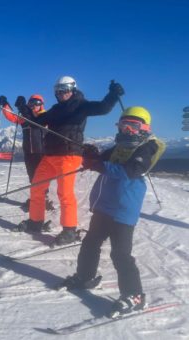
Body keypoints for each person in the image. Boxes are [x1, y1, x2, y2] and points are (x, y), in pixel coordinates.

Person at [59, 106, 165, 318]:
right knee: (90, 243)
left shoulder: (148, 147)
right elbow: (102, 160)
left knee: (120, 254)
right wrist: (91, 154)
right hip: (104, 206)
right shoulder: (119, 146)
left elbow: (132, 170)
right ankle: (85, 277)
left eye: (133, 126)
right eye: (123, 125)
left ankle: (135, 295)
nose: (127, 130)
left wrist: (99, 165)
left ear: (145, 127)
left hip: (123, 210)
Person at [16, 77, 124, 245]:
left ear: (73, 89)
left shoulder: (81, 105)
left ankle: (69, 230)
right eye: (58, 90)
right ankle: (35, 221)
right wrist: (24, 108)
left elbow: (103, 108)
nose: (61, 93)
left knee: (64, 193)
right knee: (37, 188)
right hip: (50, 155)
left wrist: (112, 94)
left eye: (65, 89)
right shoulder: (56, 109)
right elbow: (36, 122)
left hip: (69, 155)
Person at [0, 94, 54, 211]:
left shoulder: (44, 116)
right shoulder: (24, 119)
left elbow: (36, 121)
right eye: (31, 104)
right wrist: (5, 105)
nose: (34, 106)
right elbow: (11, 116)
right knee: (32, 176)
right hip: (28, 152)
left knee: (42, 177)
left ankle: (44, 198)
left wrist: (24, 108)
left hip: (41, 152)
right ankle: (36, 197)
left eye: (36, 103)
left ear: (41, 105)